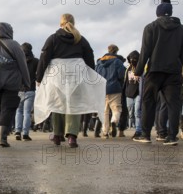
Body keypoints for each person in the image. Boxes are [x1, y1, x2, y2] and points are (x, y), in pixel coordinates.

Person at [34, 13, 103, 148]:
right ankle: (72, 136)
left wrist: (39, 77)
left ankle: (58, 135)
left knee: (58, 103)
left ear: (61, 23)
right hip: (76, 74)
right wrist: (90, 74)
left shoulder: (53, 38)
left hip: (57, 75)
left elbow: (44, 58)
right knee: (74, 104)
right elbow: (90, 56)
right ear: (73, 22)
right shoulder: (80, 39)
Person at [132, 0, 183, 145]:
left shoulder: (150, 27)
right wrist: (177, 65)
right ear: (171, 12)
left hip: (155, 70)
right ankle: (171, 136)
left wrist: (137, 71)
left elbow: (145, 52)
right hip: (173, 71)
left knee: (148, 102)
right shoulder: (181, 28)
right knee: (173, 104)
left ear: (158, 13)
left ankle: (145, 134)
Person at [0, 22, 30, 147]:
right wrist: (26, 82)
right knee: (7, 108)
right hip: (12, 82)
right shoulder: (14, 45)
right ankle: (3, 137)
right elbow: (22, 65)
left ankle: (3, 132)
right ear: (8, 31)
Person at [95, 44, 126, 139]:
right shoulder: (117, 62)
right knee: (116, 109)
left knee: (104, 111)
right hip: (115, 88)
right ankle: (114, 121)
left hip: (102, 89)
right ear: (116, 51)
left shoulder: (99, 62)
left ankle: (105, 133)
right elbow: (121, 75)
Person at [14, 42, 39, 141]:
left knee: (18, 111)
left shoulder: (18, 61)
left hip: (19, 89)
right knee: (27, 112)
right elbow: (40, 72)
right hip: (30, 89)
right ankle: (25, 133)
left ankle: (17, 132)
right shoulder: (36, 61)